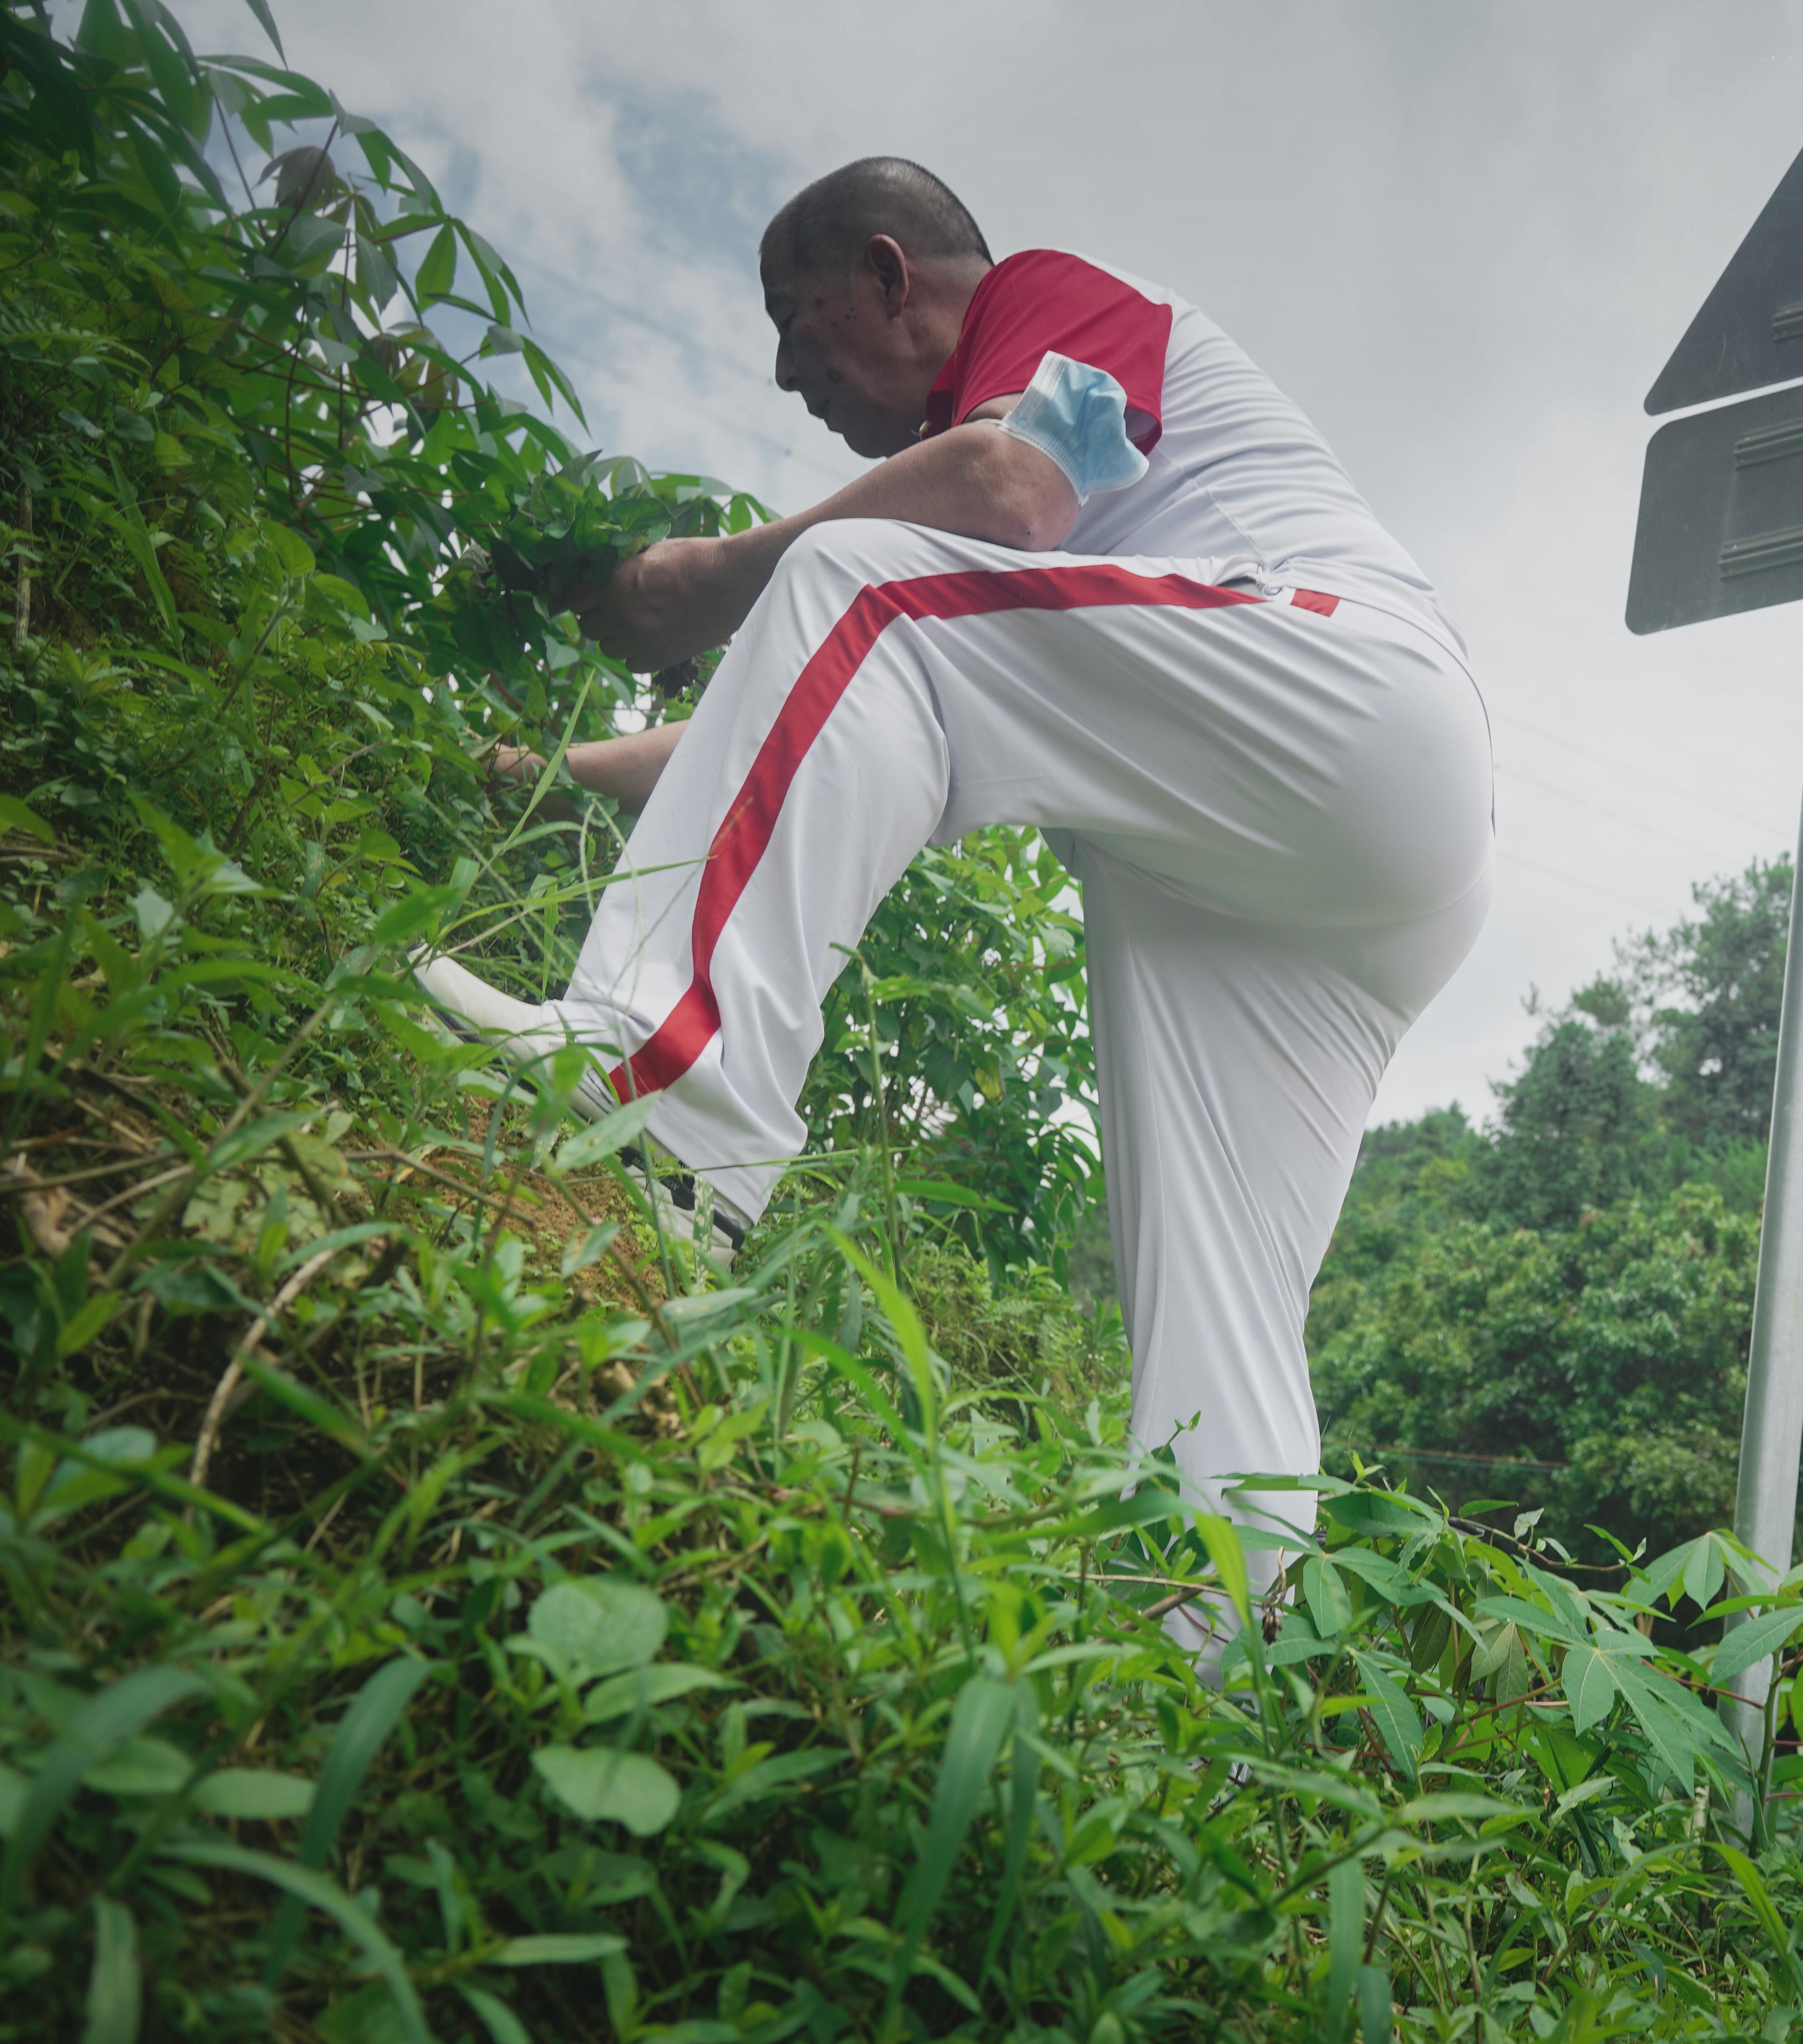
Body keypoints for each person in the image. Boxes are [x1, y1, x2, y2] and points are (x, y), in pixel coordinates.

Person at [423, 158, 1494, 1567]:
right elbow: (802, 713)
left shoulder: (1048, 300)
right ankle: (1221, 1638)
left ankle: (663, 1104)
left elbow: (1009, 490)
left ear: (889, 273)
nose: (786, 370)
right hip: (1352, 863)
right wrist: (538, 778)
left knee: (845, 577)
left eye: (797, 320)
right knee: (1219, 1292)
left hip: (1346, 689)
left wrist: (698, 580)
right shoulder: (959, 571)